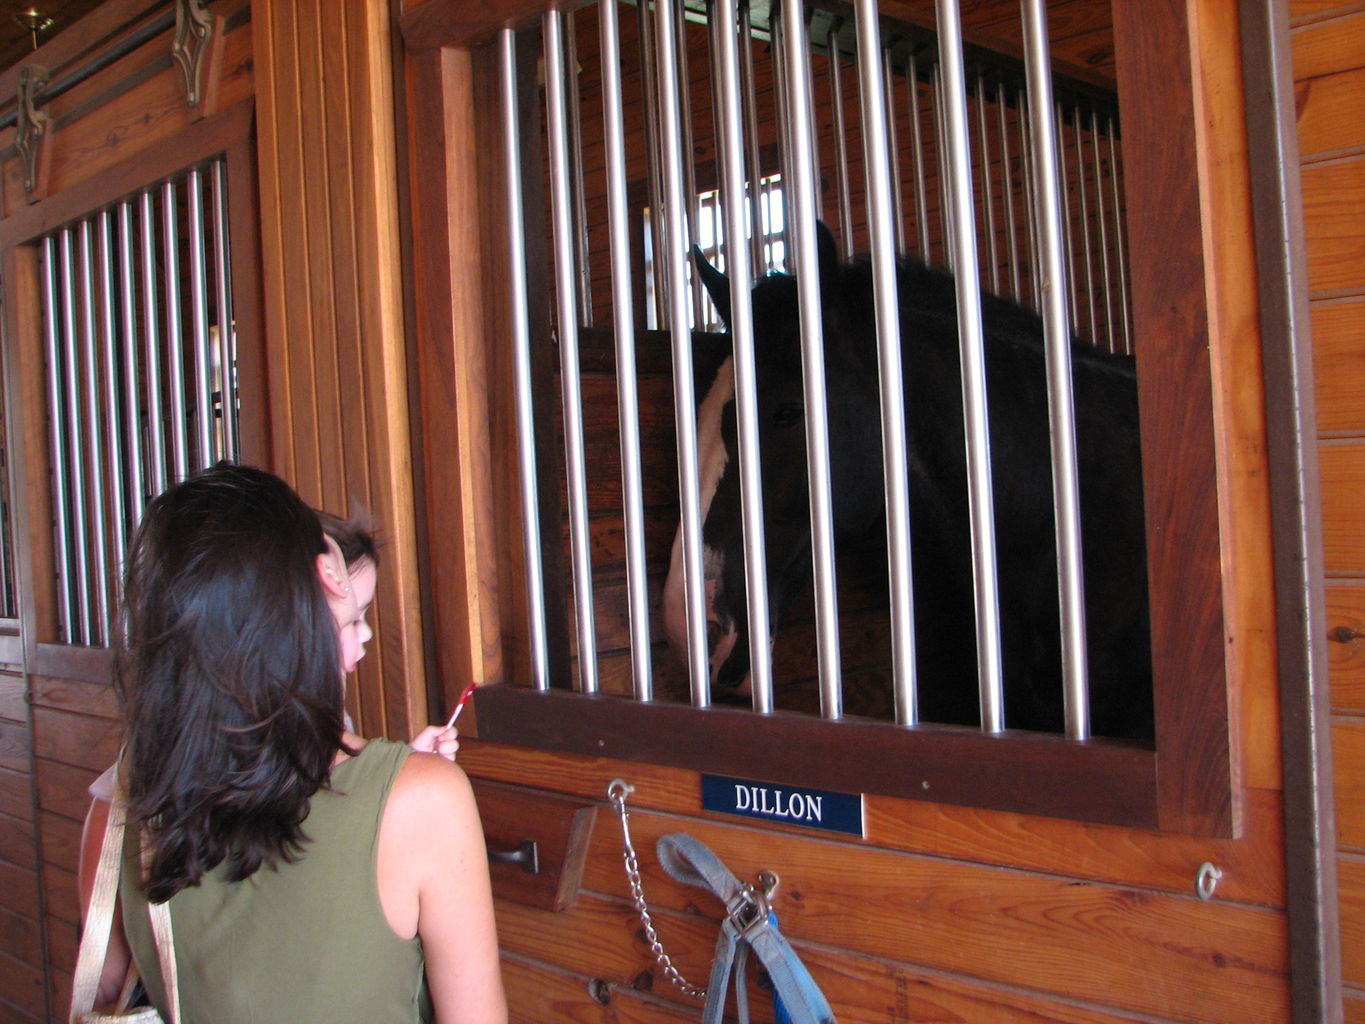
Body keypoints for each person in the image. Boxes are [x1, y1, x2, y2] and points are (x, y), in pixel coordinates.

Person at [75, 464, 507, 1023]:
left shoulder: (129, 791)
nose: (363, 636)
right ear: (309, 598)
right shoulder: (424, 799)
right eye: (351, 618)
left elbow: (108, 977)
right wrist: (400, 786)